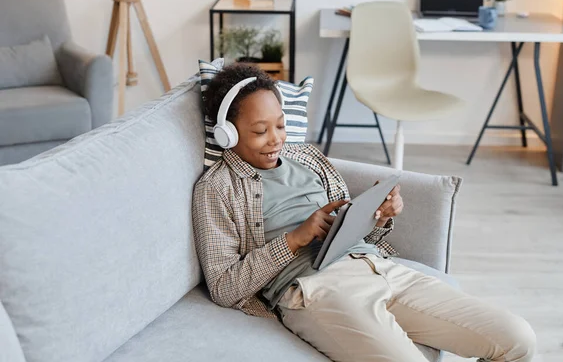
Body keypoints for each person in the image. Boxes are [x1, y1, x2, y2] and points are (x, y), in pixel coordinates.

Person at [192, 64, 536, 362]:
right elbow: (223, 287)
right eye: (259, 131)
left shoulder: (308, 158)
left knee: (518, 339)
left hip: (381, 269)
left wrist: (380, 216)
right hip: (317, 289)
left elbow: (350, 229)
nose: (275, 139)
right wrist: (295, 239)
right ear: (228, 135)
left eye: (280, 126)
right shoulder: (217, 188)